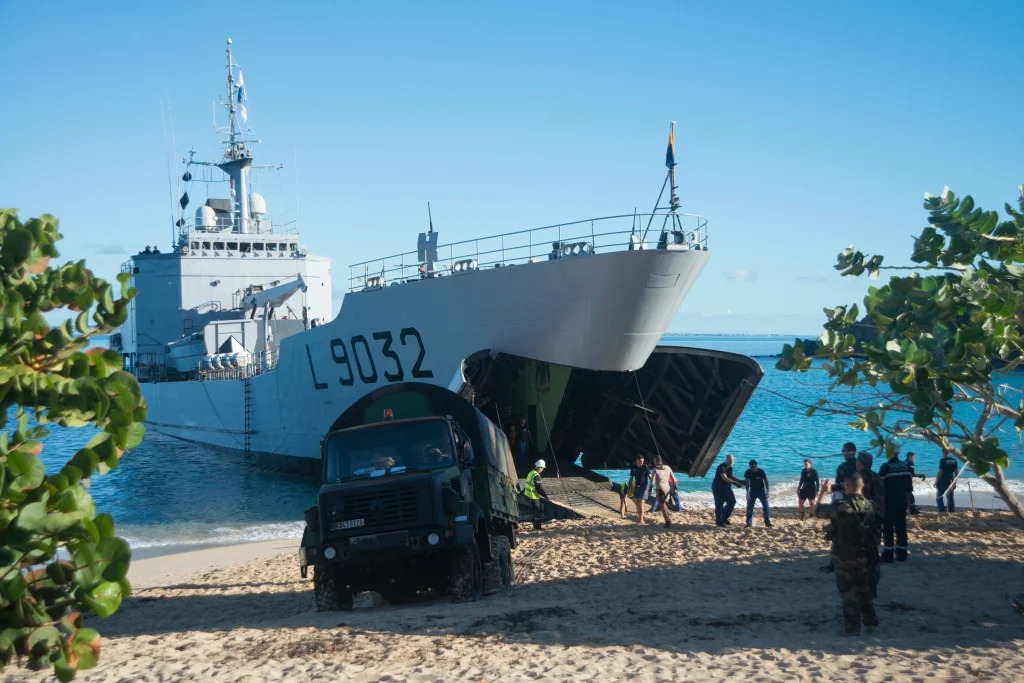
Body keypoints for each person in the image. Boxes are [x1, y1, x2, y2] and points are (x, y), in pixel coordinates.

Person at [815, 473, 881, 635]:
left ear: (847, 487)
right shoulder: (871, 506)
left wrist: (823, 492)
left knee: (848, 592)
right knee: (864, 589)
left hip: (843, 555)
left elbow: (817, 511)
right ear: (862, 486)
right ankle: (870, 623)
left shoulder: (841, 507)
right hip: (865, 553)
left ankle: (852, 628)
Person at [878, 448, 913, 562]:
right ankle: (902, 554)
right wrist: (907, 500)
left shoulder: (886, 467)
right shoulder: (905, 466)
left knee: (888, 529)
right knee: (901, 528)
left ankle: (888, 555)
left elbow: (880, 486)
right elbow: (909, 486)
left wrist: (880, 503)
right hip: (902, 501)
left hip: (889, 502)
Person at [711, 454, 744, 527]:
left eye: (732, 461)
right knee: (719, 505)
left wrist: (740, 481)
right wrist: (735, 483)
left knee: (732, 502)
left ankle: (723, 517)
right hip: (717, 488)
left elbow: (730, 477)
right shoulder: (721, 467)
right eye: (729, 460)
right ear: (726, 460)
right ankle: (719, 522)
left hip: (726, 487)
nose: (731, 462)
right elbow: (724, 478)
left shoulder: (730, 467)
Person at [856, 451, 885, 522]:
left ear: (859, 462)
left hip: (861, 515)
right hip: (877, 515)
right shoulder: (878, 477)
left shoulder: (856, 479)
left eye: (856, 460)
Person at [743, 459, 771, 527]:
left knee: (765, 506)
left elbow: (765, 480)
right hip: (752, 491)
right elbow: (747, 483)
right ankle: (749, 523)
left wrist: (767, 490)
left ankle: (767, 522)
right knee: (750, 507)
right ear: (749, 467)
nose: (753, 469)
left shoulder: (761, 471)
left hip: (761, 490)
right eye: (751, 467)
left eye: (754, 467)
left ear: (756, 466)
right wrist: (747, 492)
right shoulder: (747, 472)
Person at [651, 455, 676, 528]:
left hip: (660, 489)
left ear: (655, 461)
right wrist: (673, 489)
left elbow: (652, 482)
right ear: (661, 460)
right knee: (666, 505)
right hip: (667, 488)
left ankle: (667, 522)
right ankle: (668, 518)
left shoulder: (655, 469)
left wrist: (650, 489)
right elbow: (674, 480)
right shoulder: (668, 468)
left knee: (662, 506)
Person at [524, 459, 550, 530]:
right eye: (542, 468)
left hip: (527, 494)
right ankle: (537, 528)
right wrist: (546, 496)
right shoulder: (536, 476)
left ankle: (534, 524)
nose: (543, 469)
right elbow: (539, 489)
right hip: (533, 496)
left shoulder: (530, 472)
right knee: (538, 512)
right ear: (539, 467)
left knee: (535, 511)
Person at [627, 455, 651, 524]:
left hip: (644, 487)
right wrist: (629, 487)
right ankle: (641, 517)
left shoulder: (645, 467)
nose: (641, 463)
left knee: (641, 503)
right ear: (636, 461)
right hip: (636, 487)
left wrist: (651, 487)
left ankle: (641, 520)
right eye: (639, 461)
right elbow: (631, 478)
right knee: (637, 503)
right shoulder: (634, 467)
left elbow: (650, 477)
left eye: (642, 461)